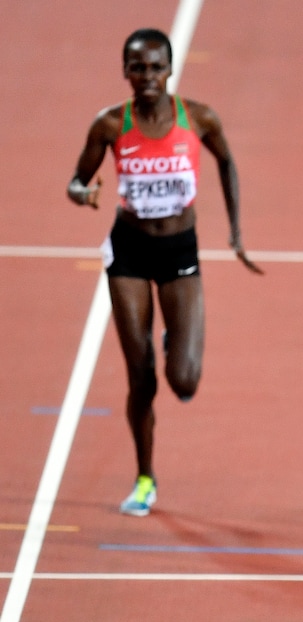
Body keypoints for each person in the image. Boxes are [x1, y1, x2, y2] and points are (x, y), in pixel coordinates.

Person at [67, 28, 262, 516]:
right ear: (125, 72)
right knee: (141, 377)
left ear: (170, 69)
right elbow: (76, 179)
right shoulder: (110, 124)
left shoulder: (197, 118)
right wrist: (82, 193)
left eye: (156, 66)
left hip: (179, 250)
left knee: (184, 382)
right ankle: (145, 478)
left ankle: (176, 340)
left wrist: (236, 230)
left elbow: (227, 163)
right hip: (129, 252)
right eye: (137, 66)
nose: (147, 76)